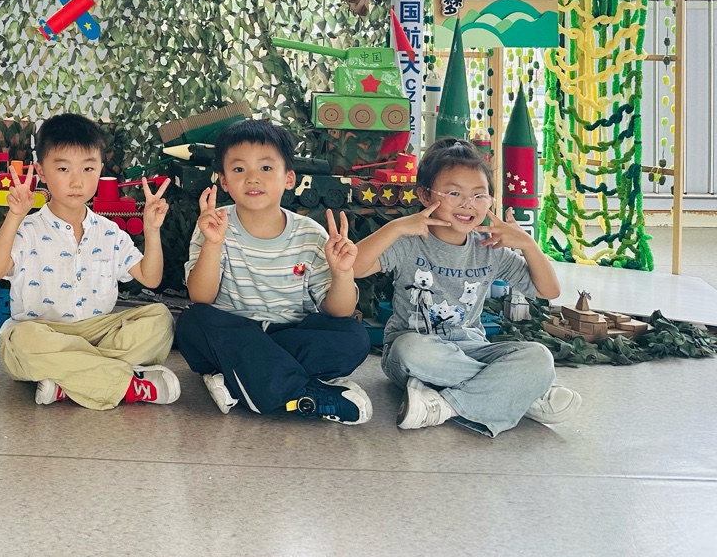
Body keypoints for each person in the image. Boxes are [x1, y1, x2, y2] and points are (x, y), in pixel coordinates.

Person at [354, 137, 580, 437]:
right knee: (412, 349)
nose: (467, 204)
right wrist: (395, 226)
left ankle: (446, 405)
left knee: (539, 356)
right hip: (415, 353)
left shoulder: (490, 248)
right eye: (454, 193)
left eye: (479, 195)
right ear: (424, 195)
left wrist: (528, 244)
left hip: (473, 350)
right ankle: (522, 393)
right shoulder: (409, 242)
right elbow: (354, 267)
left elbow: (548, 291)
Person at [175, 118, 373, 424]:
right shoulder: (213, 224)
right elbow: (201, 296)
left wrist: (342, 273)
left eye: (266, 168)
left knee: (354, 337)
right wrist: (213, 244)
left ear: (289, 178)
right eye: (239, 169)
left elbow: (340, 311)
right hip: (232, 330)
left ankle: (245, 380)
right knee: (193, 321)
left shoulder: (310, 234)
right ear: (223, 181)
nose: (253, 178)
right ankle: (302, 392)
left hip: (288, 334)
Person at [0, 113, 179, 409]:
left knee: (160, 320)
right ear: (42, 172)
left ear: (100, 169)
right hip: (42, 332)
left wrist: (151, 230)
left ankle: (70, 378)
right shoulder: (28, 229)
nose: (77, 181)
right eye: (63, 168)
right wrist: (15, 215)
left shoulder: (109, 232)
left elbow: (150, 278)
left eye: (88, 168)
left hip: (97, 333)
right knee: (20, 340)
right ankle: (123, 383)